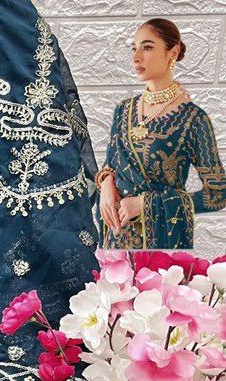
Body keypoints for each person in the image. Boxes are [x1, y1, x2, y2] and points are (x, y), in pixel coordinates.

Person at [96, 16, 226, 248]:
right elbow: (111, 166)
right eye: (134, 48)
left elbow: (218, 194)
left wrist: (145, 204)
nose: (136, 57)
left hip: (163, 243)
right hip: (117, 241)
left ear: (172, 53)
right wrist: (106, 184)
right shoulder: (123, 111)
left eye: (147, 47)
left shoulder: (192, 120)